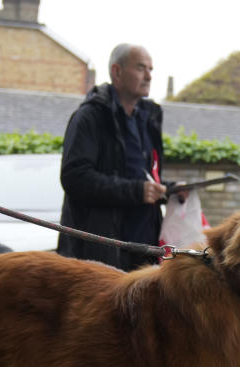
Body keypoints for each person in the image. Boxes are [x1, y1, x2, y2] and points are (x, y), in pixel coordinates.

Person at [58, 43, 172, 272]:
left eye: (151, 69)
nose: (149, 76)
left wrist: (170, 189)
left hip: (142, 253)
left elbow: (143, 178)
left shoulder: (148, 119)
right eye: (141, 68)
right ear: (116, 71)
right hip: (99, 255)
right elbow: (75, 178)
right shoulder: (90, 117)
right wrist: (137, 191)